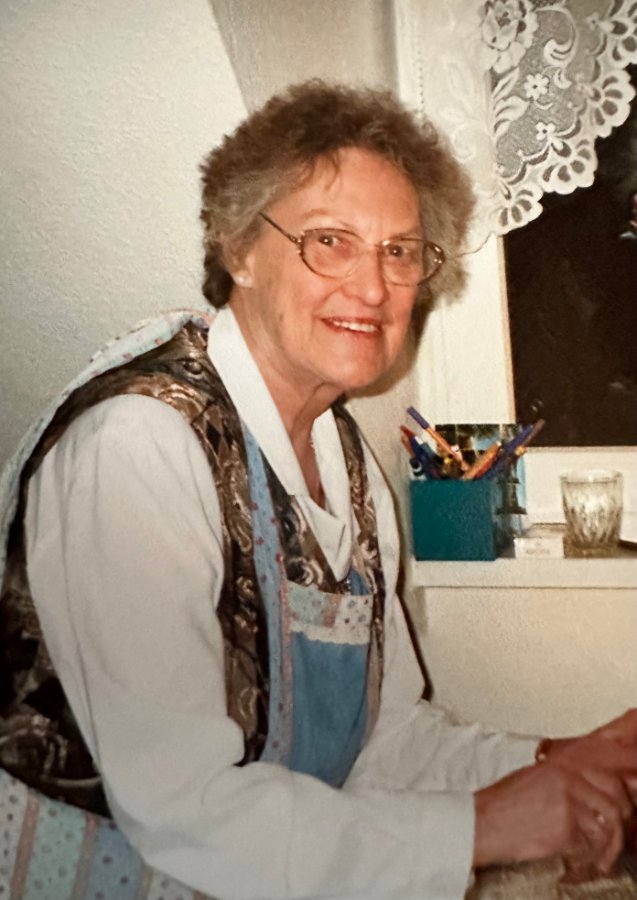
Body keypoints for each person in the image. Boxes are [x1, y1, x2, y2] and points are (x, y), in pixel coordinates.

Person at [1, 80, 636, 900]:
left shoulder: (345, 459)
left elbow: (386, 742)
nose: (373, 288)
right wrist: (488, 824)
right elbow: (185, 811)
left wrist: (556, 767)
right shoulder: (139, 448)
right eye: (330, 241)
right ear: (238, 248)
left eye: (399, 251)